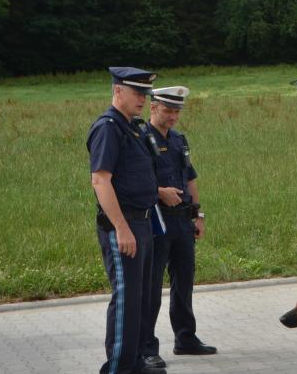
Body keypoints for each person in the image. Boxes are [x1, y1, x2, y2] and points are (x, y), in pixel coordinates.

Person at [87, 67, 165, 374]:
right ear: (118, 91)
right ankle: (119, 367)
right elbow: (101, 181)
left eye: (145, 94)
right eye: (137, 93)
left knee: (141, 300)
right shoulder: (108, 128)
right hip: (124, 226)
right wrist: (121, 227)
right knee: (127, 302)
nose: (142, 100)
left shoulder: (132, 128)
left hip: (143, 224)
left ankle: (134, 362)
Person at [141, 86, 216, 370]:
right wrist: (160, 192)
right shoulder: (142, 140)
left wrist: (198, 214)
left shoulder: (179, 140)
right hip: (157, 220)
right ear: (153, 108)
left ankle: (185, 338)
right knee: (151, 286)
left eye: (176, 112)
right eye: (167, 110)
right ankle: (147, 347)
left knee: (184, 281)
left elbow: (190, 178)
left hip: (183, 220)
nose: (172, 117)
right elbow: (138, 181)